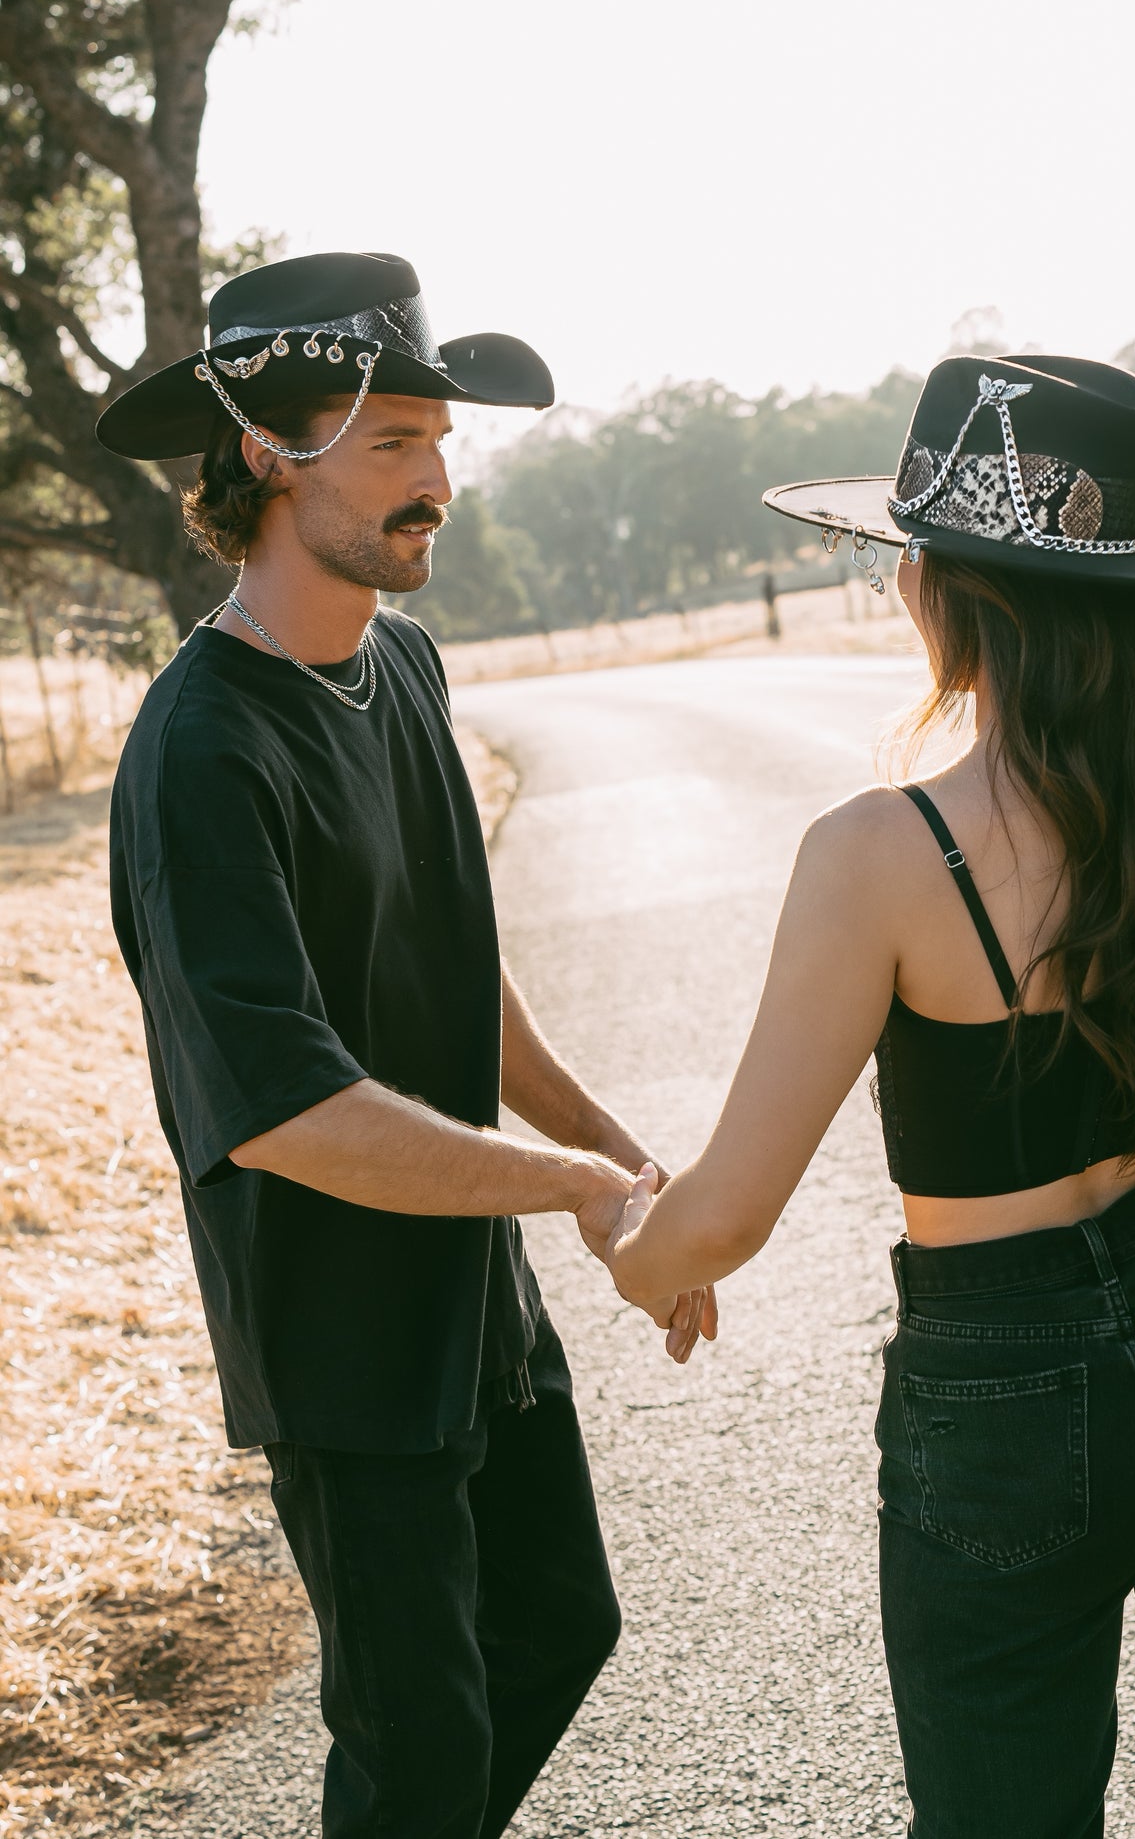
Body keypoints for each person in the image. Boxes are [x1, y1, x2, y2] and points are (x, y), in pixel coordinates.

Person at [603, 354, 1135, 1839]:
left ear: (953, 589)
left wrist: (641, 1248)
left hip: (1000, 1382)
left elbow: (724, 1218)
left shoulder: (879, 853)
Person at [99, 251, 715, 1839]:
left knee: (559, 1627)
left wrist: (624, 1164)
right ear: (260, 451)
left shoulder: (406, 660)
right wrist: (568, 1186)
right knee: (415, 1752)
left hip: (465, 1287)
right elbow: (286, 1107)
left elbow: (459, 981)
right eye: (391, 444)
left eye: (440, 441)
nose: (436, 481)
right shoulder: (200, 750)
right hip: (339, 1338)